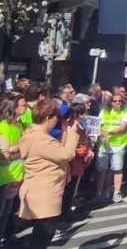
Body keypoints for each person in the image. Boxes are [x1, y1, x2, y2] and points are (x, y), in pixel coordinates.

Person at [18, 99, 78, 247]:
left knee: (40, 232)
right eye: (56, 117)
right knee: (44, 233)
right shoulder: (41, 139)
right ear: (47, 118)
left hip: (37, 188)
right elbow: (66, 155)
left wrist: (64, 132)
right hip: (45, 190)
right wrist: (72, 135)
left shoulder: (31, 134)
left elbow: (56, 152)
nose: (57, 121)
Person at [96, 93, 127, 203]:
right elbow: (99, 125)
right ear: (111, 102)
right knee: (102, 169)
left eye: (120, 101)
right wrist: (103, 133)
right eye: (115, 101)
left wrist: (109, 132)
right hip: (104, 143)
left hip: (119, 144)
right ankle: (100, 192)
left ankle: (116, 192)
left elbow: (123, 128)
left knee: (117, 168)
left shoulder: (126, 112)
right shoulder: (104, 112)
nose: (117, 103)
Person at [0, 95, 26, 244]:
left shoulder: (19, 125)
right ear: (13, 107)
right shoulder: (3, 126)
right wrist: (16, 149)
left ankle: (5, 237)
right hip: (3, 176)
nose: (26, 108)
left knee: (7, 212)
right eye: (23, 105)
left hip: (16, 175)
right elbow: (4, 154)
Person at [61, 102, 93, 215]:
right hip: (73, 161)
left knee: (73, 187)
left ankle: (69, 208)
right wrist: (85, 152)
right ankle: (65, 212)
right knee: (69, 188)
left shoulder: (81, 126)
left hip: (79, 161)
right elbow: (74, 144)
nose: (85, 115)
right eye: (83, 113)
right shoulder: (72, 127)